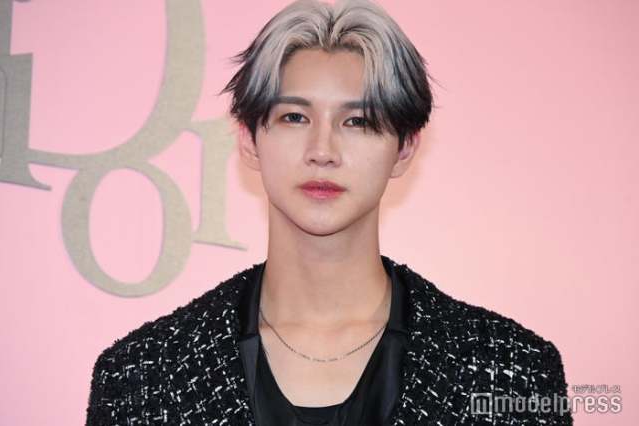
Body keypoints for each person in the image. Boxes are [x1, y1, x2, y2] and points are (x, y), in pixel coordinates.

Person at [86, 0, 573, 424]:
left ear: (404, 147)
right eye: (294, 117)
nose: (322, 150)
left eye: (357, 121)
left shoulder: (513, 370)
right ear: (249, 139)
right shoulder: (141, 376)